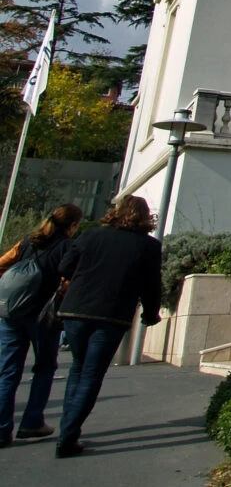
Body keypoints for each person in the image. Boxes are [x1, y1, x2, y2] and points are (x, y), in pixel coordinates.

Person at [53, 195, 163, 458]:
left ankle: (68, 430)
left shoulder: (91, 236)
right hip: (112, 314)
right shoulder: (148, 246)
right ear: (145, 216)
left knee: (78, 369)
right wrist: (150, 313)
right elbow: (151, 284)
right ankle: (68, 434)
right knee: (91, 374)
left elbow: (65, 267)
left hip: (76, 310)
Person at [0, 204, 83, 447]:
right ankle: (32, 422)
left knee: (8, 371)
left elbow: (2, 263)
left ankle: (2, 429)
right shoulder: (68, 247)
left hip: (11, 313)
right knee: (45, 368)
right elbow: (68, 278)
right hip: (42, 317)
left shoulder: (28, 241)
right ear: (72, 226)